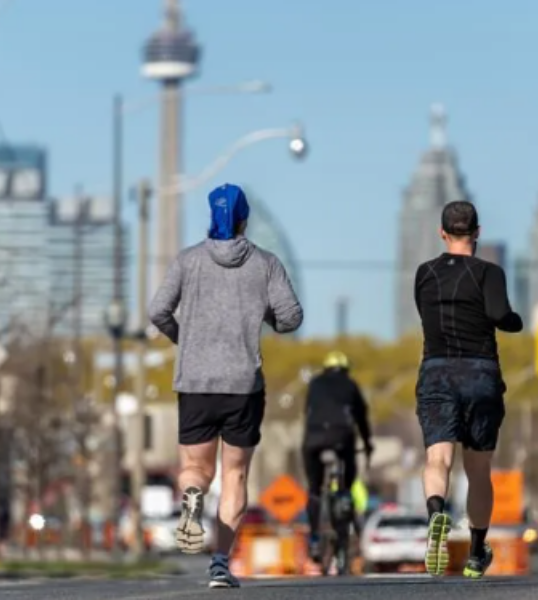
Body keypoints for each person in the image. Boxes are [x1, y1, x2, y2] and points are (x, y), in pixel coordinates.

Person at [148, 183, 303, 589]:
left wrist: (184, 340)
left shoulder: (187, 261)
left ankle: (192, 498)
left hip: (195, 382)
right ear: (243, 220)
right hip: (243, 385)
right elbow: (291, 317)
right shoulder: (265, 263)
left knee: (195, 468)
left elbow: (157, 310)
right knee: (234, 476)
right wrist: (265, 315)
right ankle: (219, 563)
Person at [413, 200, 523, 579]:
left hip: (437, 371)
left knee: (437, 458)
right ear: (477, 232)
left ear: (442, 233)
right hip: (480, 374)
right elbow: (499, 315)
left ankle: (435, 513)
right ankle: (477, 553)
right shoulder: (489, 273)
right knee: (478, 470)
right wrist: (515, 320)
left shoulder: (424, 274)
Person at [300, 350, 373, 563]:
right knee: (348, 478)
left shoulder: (314, 383)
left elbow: (308, 412)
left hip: (313, 438)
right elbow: (362, 417)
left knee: (313, 490)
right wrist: (368, 444)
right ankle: (344, 496)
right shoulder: (351, 385)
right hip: (342, 437)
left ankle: (314, 538)